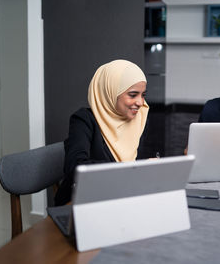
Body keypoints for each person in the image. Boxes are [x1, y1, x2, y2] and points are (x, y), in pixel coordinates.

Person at [55, 59, 149, 205]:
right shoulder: (83, 120)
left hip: (119, 196)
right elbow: (76, 167)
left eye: (143, 95)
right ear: (110, 91)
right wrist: (133, 169)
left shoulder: (138, 118)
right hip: (81, 202)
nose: (140, 102)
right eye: (132, 95)